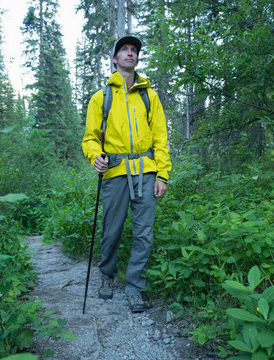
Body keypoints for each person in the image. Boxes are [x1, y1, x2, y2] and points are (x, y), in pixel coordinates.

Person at [81, 35, 171, 312]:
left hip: (146, 171)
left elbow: (160, 137)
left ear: (137, 58)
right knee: (112, 231)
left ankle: (134, 287)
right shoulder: (101, 97)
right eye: (124, 50)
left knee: (144, 234)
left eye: (134, 50)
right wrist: (96, 156)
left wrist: (163, 174)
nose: (130, 54)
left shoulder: (150, 96)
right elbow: (89, 138)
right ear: (115, 59)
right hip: (115, 172)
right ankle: (107, 275)